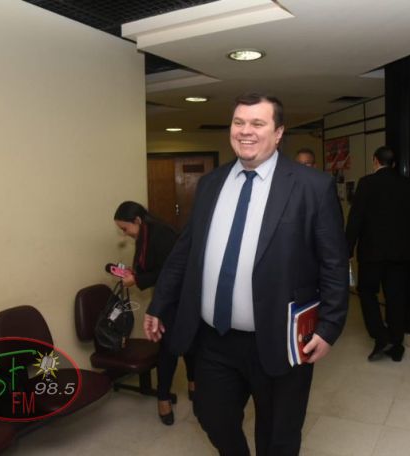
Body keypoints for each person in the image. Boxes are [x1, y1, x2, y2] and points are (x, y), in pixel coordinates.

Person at [144, 92, 349, 455]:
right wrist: (159, 303)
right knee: (212, 416)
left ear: (279, 132)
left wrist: (330, 325)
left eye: (257, 123)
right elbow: (185, 251)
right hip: (214, 339)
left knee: (278, 436)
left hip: (281, 337)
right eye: (238, 122)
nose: (245, 131)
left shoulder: (312, 187)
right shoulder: (211, 184)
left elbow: (334, 263)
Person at [113, 201, 195, 426]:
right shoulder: (145, 235)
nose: (125, 234)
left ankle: (189, 383)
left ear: (137, 221)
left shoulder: (162, 234)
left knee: (185, 344)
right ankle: (164, 397)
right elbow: (151, 267)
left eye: (125, 228)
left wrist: (137, 280)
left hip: (181, 297)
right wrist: (134, 274)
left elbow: (171, 270)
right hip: (165, 298)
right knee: (169, 347)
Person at [345, 146, 410, 362]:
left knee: (367, 293)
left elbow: (356, 219)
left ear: (375, 161)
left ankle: (380, 335)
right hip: (401, 254)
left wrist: (347, 249)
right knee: (396, 297)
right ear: (393, 164)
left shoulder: (366, 183)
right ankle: (397, 343)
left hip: (372, 253)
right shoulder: (407, 184)